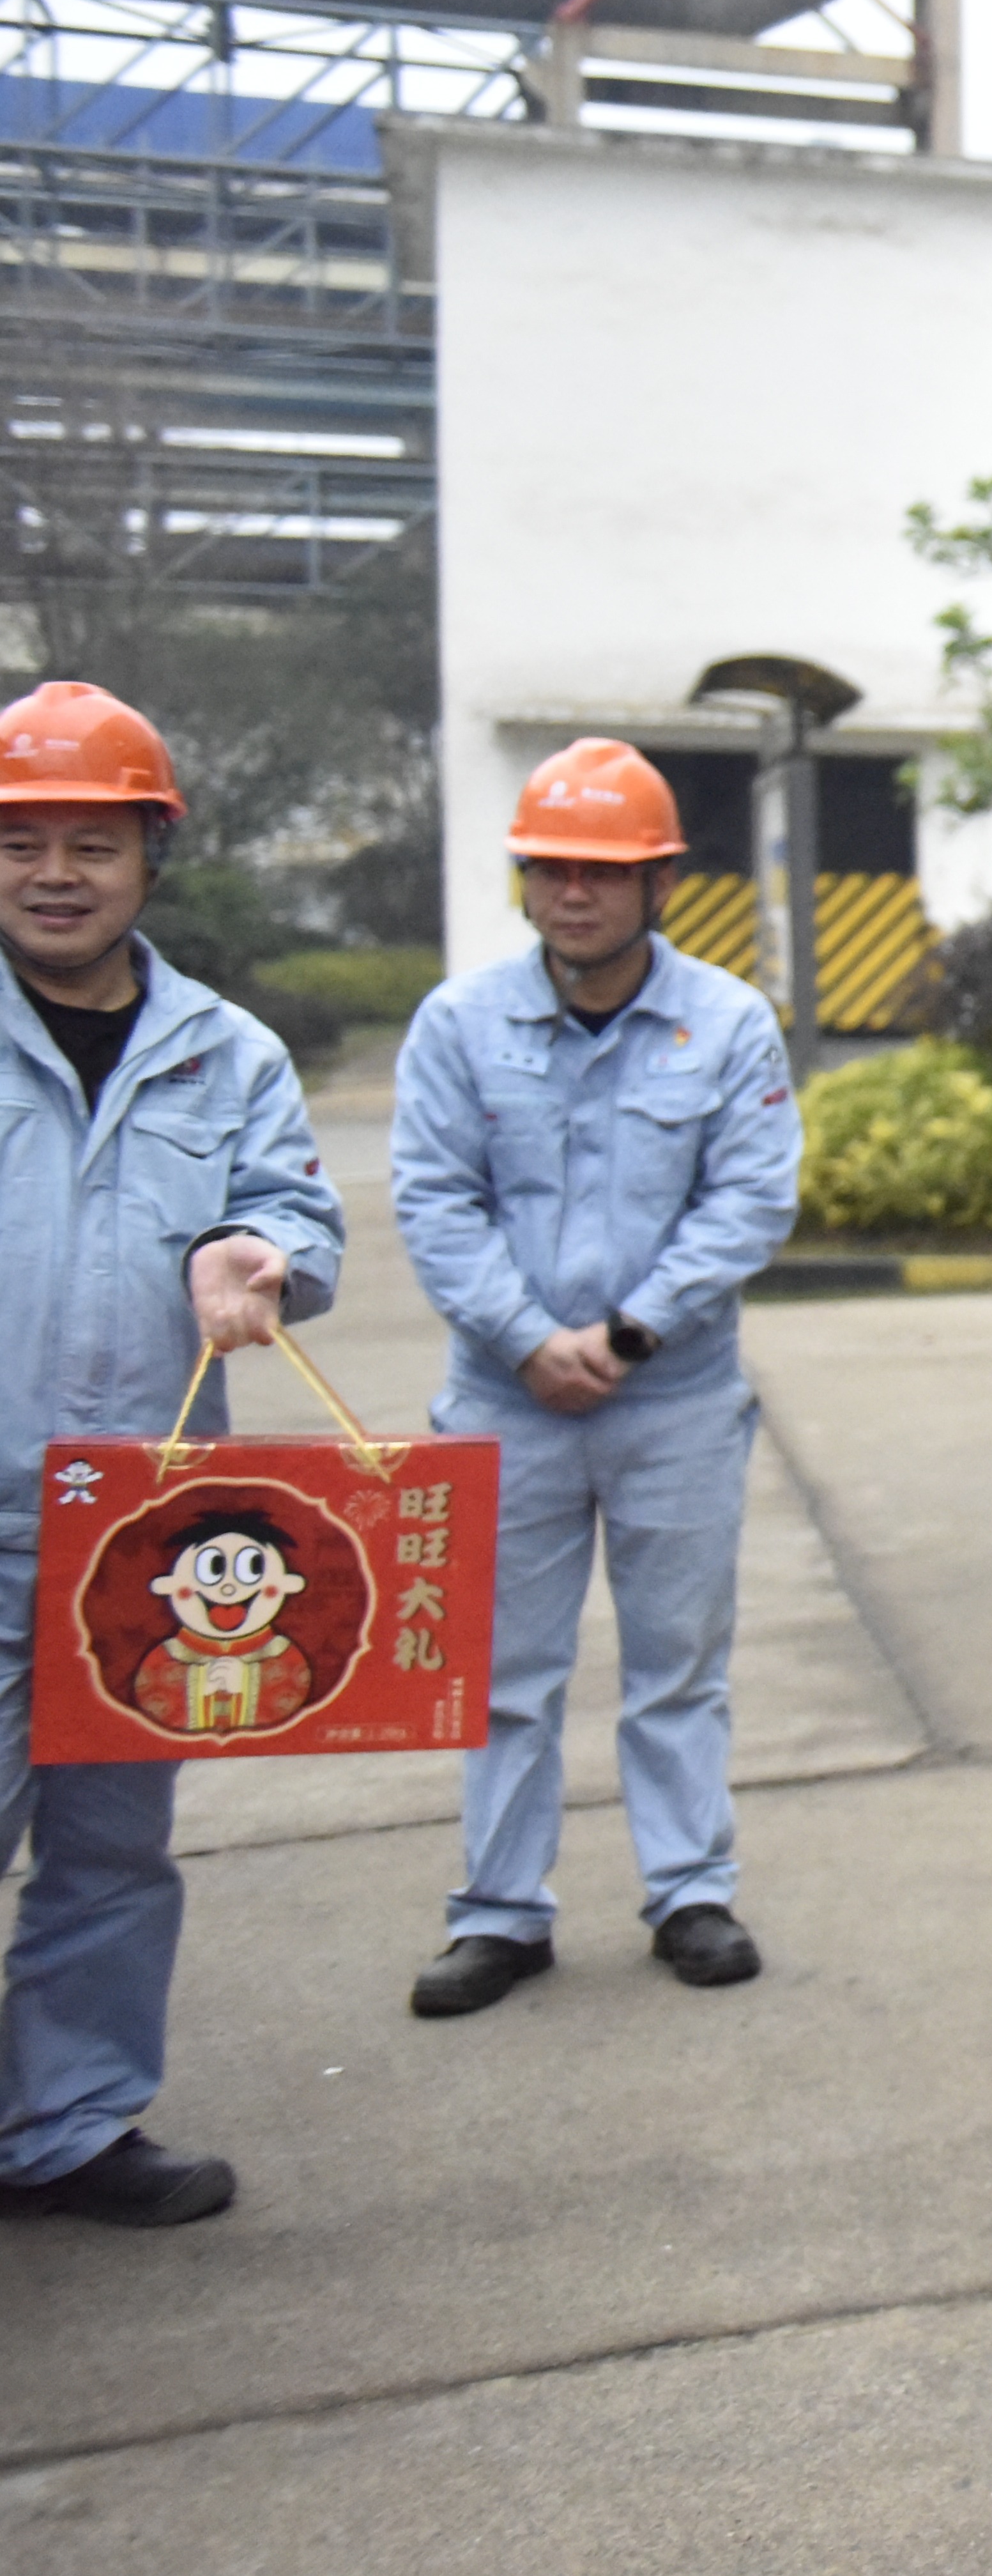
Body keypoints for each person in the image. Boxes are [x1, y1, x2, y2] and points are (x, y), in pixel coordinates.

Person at [0, 679, 342, 2226]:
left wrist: (256, 1251)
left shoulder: (226, 1050)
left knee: (112, 1850)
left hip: (140, 1538)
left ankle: (66, 2125)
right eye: (23, 841)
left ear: (151, 856)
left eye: (93, 842)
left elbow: (298, 1209)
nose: (55, 873)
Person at [389, 740, 802, 2017]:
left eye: (606, 872)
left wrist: (627, 1336)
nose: (576, 894)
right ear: (523, 879)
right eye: (554, 869)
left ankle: (689, 1890)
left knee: (679, 1660)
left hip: (673, 1402)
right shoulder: (458, 1025)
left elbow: (749, 1201)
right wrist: (527, 1339)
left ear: (661, 882)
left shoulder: (726, 1023)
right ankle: (500, 1912)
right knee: (505, 1671)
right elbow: (434, 1200)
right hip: (504, 1402)